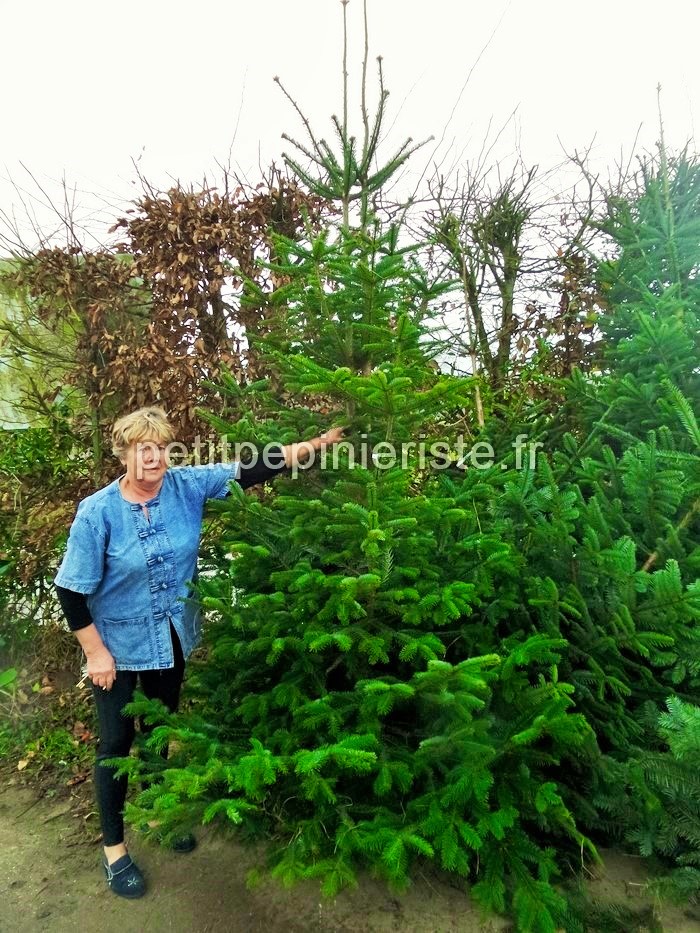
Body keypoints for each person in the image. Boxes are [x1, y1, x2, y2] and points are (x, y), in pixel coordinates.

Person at [54, 406, 345, 898]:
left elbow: (250, 468)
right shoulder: (97, 512)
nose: (153, 458)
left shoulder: (186, 486)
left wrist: (313, 445)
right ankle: (115, 850)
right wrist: (96, 653)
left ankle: (161, 815)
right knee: (115, 744)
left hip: (171, 636)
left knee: (160, 729)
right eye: (142, 449)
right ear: (124, 454)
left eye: (161, 448)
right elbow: (71, 591)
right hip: (117, 649)